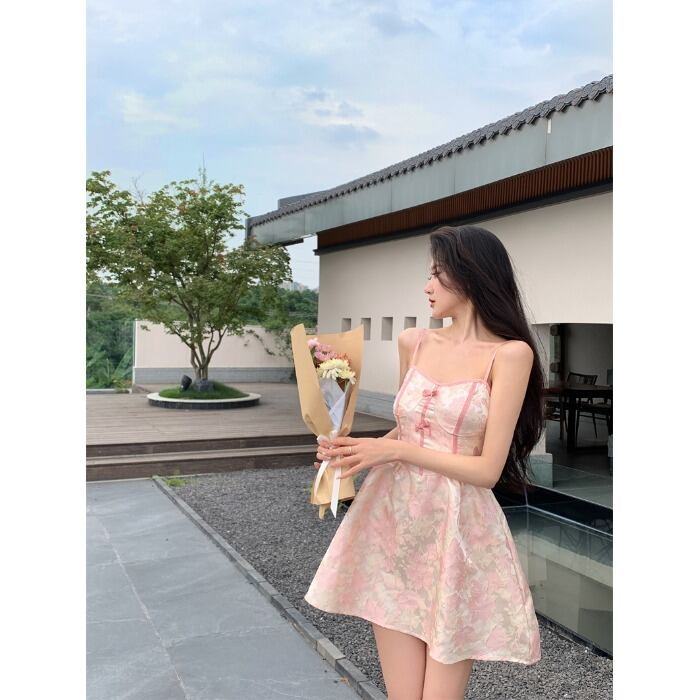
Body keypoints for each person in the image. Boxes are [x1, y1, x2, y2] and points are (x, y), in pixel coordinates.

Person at [305, 224, 544, 700]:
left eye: (437, 274)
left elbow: (487, 470)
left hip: (457, 529)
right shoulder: (413, 341)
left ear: (471, 275)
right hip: (393, 523)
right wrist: (355, 451)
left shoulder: (510, 355)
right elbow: (408, 428)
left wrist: (392, 451)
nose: (427, 285)